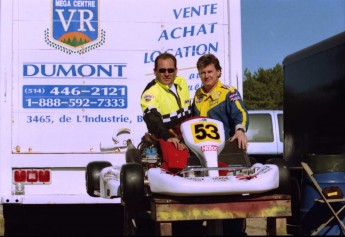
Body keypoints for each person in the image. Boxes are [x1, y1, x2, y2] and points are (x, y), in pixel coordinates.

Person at [192, 53, 249, 236]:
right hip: (202, 155)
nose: (206, 76)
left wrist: (240, 130)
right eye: (203, 73)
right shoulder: (197, 95)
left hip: (226, 154)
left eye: (210, 72)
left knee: (230, 201)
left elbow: (241, 113)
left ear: (218, 72)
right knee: (206, 201)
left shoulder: (229, 92)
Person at [140, 52, 192, 150]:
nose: (167, 74)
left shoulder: (182, 82)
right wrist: (167, 137)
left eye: (170, 70)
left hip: (189, 140)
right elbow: (152, 119)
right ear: (155, 72)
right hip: (168, 142)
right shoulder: (150, 92)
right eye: (162, 70)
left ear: (176, 71)